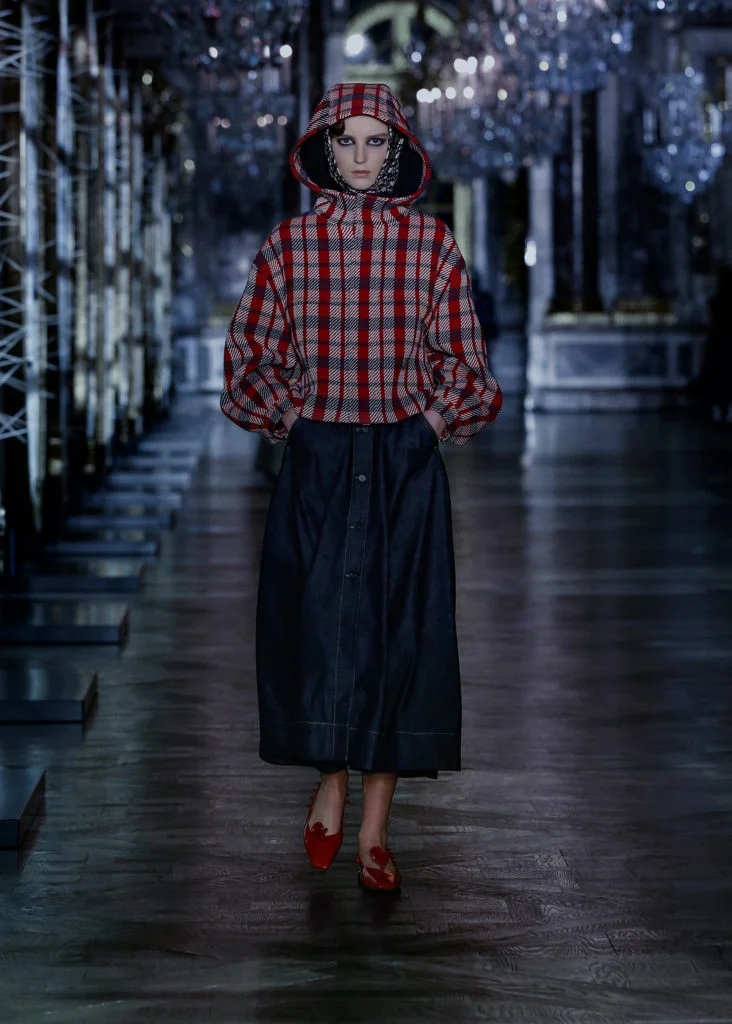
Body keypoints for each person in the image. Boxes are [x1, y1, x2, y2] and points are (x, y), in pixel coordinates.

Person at [221, 83, 501, 892]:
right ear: (322, 147)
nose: (361, 156)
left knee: (400, 634)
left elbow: (469, 367)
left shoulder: (432, 245)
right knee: (314, 628)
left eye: (378, 142)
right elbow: (247, 360)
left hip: (404, 458)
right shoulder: (287, 247)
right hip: (318, 456)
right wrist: (294, 420)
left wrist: (429, 426)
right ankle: (331, 781)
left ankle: (376, 827)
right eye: (347, 141)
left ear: (398, 152)